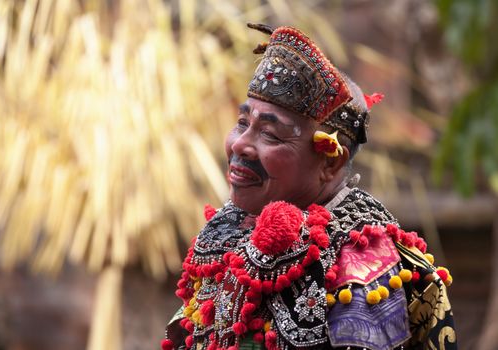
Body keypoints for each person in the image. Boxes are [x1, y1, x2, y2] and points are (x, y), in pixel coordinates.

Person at [161, 23, 456, 350]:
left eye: (270, 135)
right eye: (243, 123)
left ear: (330, 162)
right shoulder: (231, 228)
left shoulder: (364, 257)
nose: (240, 145)